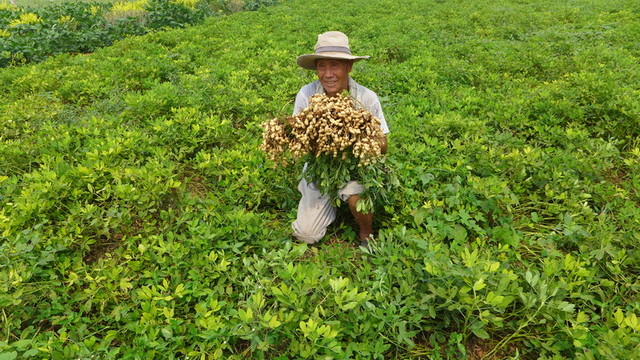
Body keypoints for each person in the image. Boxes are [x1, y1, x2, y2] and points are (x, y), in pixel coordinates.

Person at [291, 31, 390, 248]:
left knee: (356, 196)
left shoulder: (366, 98)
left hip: (353, 166)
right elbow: (297, 139)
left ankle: (366, 232)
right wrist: (317, 136)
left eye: (334, 65)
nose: (328, 74)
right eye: (321, 66)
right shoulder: (307, 94)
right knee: (306, 236)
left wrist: (356, 136)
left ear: (349, 67)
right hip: (319, 167)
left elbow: (383, 146)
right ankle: (327, 202)